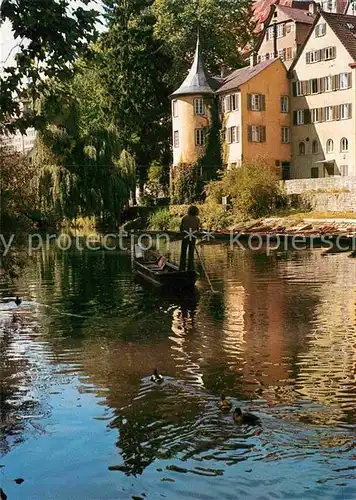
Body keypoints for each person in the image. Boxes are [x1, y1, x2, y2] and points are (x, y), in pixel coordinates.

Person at [179, 205, 200, 271]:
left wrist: (181, 233)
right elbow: (197, 229)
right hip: (193, 237)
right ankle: (190, 268)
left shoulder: (185, 218)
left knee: (183, 252)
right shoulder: (197, 219)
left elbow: (181, 228)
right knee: (191, 253)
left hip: (185, 236)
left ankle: (182, 268)